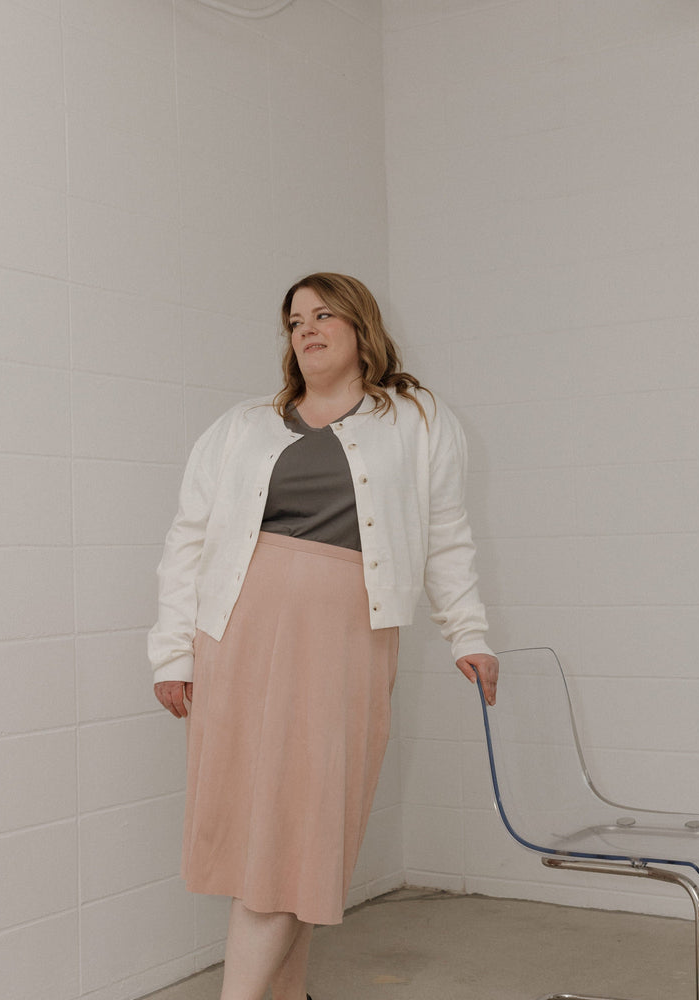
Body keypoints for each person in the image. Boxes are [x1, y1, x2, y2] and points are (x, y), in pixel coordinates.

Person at [149, 272, 499, 1000]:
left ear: (360, 325)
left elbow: (447, 535)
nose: (306, 329)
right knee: (263, 838)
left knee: (303, 830)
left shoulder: (419, 418)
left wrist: (469, 632)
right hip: (237, 638)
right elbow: (188, 541)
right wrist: (173, 651)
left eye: (323, 315)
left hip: (344, 642)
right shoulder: (241, 426)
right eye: (294, 320)